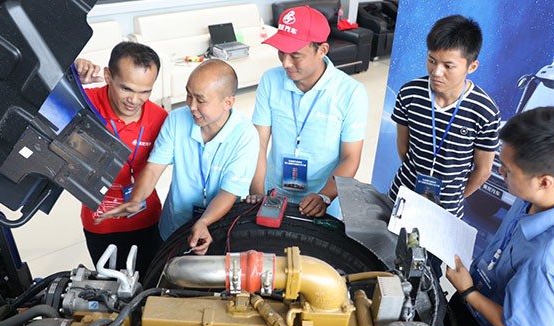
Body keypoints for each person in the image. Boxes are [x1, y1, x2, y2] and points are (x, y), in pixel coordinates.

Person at [446, 106, 554, 326]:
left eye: (508, 170)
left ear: (544, 182)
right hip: (475, 291)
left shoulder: (549, 260)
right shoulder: (541, 193)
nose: (500, 172)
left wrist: (468, 293)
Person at [95, 59, 259, 255]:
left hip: (215, 230)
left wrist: (204, 222)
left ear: (228, 102)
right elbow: (154, 168)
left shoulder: (245, 136)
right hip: (171, 228)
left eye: (201, 100)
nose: (191, 106)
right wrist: (136, 199)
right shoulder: (176, 120)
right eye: (189, 95)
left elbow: (229, 193)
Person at [250, 5, 368, 218]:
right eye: (281, 53)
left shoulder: (351, 93)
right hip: (273, 193)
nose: (286, 63)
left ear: (322, 51)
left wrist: (324, 196)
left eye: (295, 55)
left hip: (324, 200)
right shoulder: (270, 80)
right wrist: (258, 192)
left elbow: (350, 157)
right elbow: (258, 142)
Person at [389, 14, 501, 218]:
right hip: (401, 195)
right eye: (432, 60)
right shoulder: (409, 93)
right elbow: (403, 147)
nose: (436, 72)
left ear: (472, 66)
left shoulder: (485, 111)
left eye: (448, 66)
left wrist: (455, 197)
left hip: (446, 211)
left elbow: (483, 170)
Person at [75, 42, 167, 279]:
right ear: (108, 76)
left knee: (149, 285)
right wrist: (71, 78)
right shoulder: (83, 103)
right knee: (110, 291)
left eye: (145, 91)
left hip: (147, 220)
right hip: (100, 224)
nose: (134, 100)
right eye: (126, 89)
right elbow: (38, 103)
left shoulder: (160, 119)